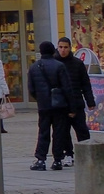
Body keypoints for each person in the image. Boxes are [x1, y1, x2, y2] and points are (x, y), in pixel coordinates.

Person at [29, 41, 78, 171]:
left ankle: (41, 159)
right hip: (59, 105)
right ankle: (57, 160)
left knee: (43, 132)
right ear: (53, 51)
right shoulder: (59, 66)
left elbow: (31, 88)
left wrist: (40, 98)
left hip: (44, 106)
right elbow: (67, 88)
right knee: (59, 132)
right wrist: (72, 107)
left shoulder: (34, 67)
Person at [56, 37, 95, 165]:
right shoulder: (55, 63)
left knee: (81, 129)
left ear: (70, 48)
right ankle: (68, 154)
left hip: (77, 102)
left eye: (65, 47)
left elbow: (85, 84)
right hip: (61, 104)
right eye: (60, 47)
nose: (63, 50)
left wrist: (90, 101)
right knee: (64, 131)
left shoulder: (77, 63)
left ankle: (87, 152)